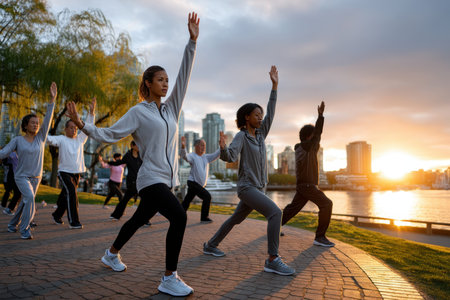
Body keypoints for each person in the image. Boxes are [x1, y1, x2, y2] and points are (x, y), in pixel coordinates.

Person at [65, 12, 199, 297]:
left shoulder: (171, 108)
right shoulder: (138, 112)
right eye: (160, 79)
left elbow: (184, 76)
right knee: (179, 217)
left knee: (138, 219)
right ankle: (169, 277)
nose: (165, 84)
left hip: (167, 179)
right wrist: (81, 125)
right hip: (150, 179)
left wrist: (192, 42)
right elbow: (110, 133)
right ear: (147, 83)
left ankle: (111, 254)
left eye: (166, 80)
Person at [203, 66, 295, 276]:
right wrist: (224, 148)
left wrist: (275, 87)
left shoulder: (261, 135)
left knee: (236, 219)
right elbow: (231, 157)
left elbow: (271, 112)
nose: (261, 118)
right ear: (247, 118)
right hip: (247, 187)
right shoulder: (241, 137)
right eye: (256, 115)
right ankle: (273, 259)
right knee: (275, 213)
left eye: (261, 115)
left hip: (258, 188)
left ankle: (210, 245)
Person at [0, 82, 56, 239]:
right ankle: (25, 229)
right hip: (22, 176)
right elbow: (3, 152)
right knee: (30, 198)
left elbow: (48, 119)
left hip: (36, 177)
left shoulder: (41, 139)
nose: (36, 125)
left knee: (25, 202)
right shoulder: (18, 140)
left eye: (37, 123)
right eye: (33, 123)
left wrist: (52, 100)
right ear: (25, 125)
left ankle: (12, 225)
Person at [281, 101, 334, 247]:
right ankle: (320, 237)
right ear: (308, 137)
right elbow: (318, 134)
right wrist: (321, 116)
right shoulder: (307, 147)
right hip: (308, 185)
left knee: (292, 209)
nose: (317, 142)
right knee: (327, 204)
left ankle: (273, 227)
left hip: (303, 185)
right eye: (314, 137)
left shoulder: (302, 148)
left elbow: (316, 135)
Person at [47, 98, 96, 229]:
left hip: (77, 172)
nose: (74, 130)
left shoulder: (80, 139)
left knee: (66, 194)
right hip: (64, 172)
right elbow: (48, 139)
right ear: (66, 129)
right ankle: (74, 221)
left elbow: (88, 128)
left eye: (75, 128)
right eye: (71, 128)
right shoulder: (61, 139)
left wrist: (91, 113)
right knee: (72, 194)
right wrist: (37, 135)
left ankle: (57, 215)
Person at [180, 136, 219, 222]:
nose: (204, 147)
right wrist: (183, 147)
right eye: (202, 145)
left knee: (187, 200)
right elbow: (185, 156)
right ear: (196, 146)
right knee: (207, 197)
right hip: (193, 182)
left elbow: (216, 155)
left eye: (204, 145)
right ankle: (204, 217)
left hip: (198, 184)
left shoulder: (206, 157)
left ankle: (178, 214)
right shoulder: (192, 156)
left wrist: (222, 146)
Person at [108, 141, 145, 221]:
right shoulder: (128, 156)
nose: (139, 146)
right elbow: (120, 162)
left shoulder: (141, 155)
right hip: (132, 182)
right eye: (137, 145)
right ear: (132, 146)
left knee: (145, 199)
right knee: (125, 200)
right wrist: (109, 162)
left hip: (141, 181)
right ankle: (116, 215)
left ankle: (144, 219)